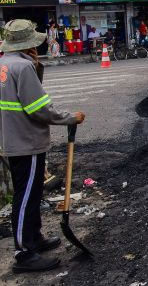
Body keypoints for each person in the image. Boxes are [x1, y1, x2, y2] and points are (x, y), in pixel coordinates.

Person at [0, 20, 85, 273]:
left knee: (32, 192)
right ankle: (24, 254)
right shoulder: (23, 67)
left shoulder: (5, 62)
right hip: (27, 141)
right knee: (25, 197)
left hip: (12, 139)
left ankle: (34, 238)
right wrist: (70, 117)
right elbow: (39, 109)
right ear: (29, 43)